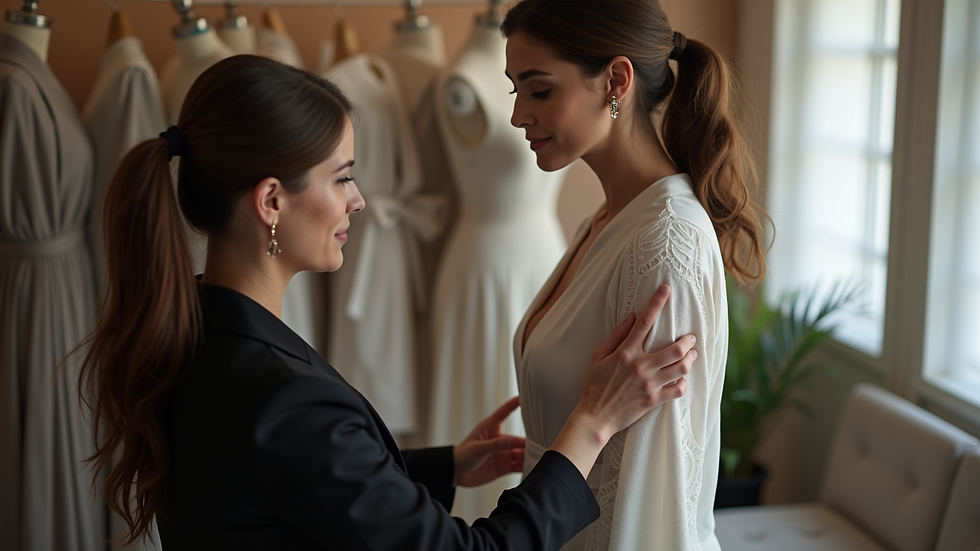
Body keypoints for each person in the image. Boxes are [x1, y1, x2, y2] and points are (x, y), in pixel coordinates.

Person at [76, 55, 698, 550]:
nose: (359, 201)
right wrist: (589, 426)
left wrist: (442, 466)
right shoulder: (278, 392)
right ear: (271, 202)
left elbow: (291, 476)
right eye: (342, 177)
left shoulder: (201, 331)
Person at [501, 1, 770, 550]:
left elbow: (657, 485)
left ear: (615, 81)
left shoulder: (665, 243)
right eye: (516, 91)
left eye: (540, 90)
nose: (517, 115)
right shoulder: (605, 221)